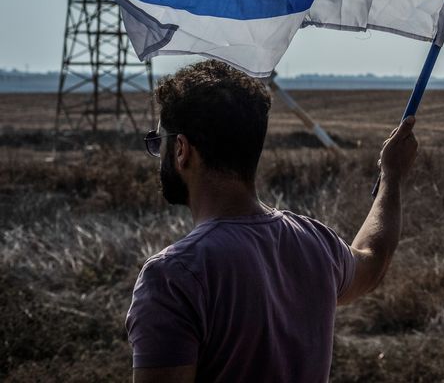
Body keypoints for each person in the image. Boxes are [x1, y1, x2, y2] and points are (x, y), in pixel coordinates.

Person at [126, 60, 418, 382]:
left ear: (181, 150)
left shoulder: (173, 276)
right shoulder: (315, 242)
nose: (158, 153)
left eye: (158, 143)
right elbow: (372, 261)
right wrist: (391, 178)